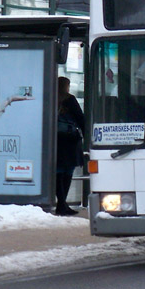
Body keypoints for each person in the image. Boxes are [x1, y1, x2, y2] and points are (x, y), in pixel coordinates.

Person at [56, 77, 85, 216]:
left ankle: (61, 203)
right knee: (67, 172)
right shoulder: (70, 99)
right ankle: (62, 204)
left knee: (58, 172)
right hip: (69, 141)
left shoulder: (51, 97)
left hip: (55, 140)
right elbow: (81, 118)